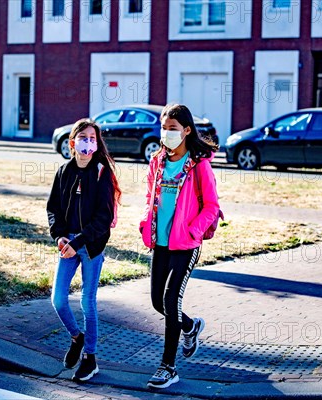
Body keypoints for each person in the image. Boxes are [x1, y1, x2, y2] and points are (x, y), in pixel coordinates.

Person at [139, 104, 223, 389]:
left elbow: (212, 207)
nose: (167, 133)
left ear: (187, 130)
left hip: (186, 244)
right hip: (160, 243)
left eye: (172, 129)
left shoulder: (199, 164)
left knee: (171, 299)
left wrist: (193, 230)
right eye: (164, 128)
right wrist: (144, 223)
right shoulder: (157, 161)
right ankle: (190, 326)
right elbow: (150, 197)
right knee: (156, 301)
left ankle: (168, 367)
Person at [47, 118, 121, 382]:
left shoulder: (102, 173)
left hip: (90, 246)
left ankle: (90, 358)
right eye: (83, 137)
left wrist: (76, 243)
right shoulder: (64, 172)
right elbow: (53, 209)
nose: (87, 142)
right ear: (72, 142)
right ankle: (77, 338)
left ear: (96, 143)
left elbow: (103, 218)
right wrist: (59, 238)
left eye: (92, 138)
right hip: (67, 244)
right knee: (58, 300)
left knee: (87, 302)